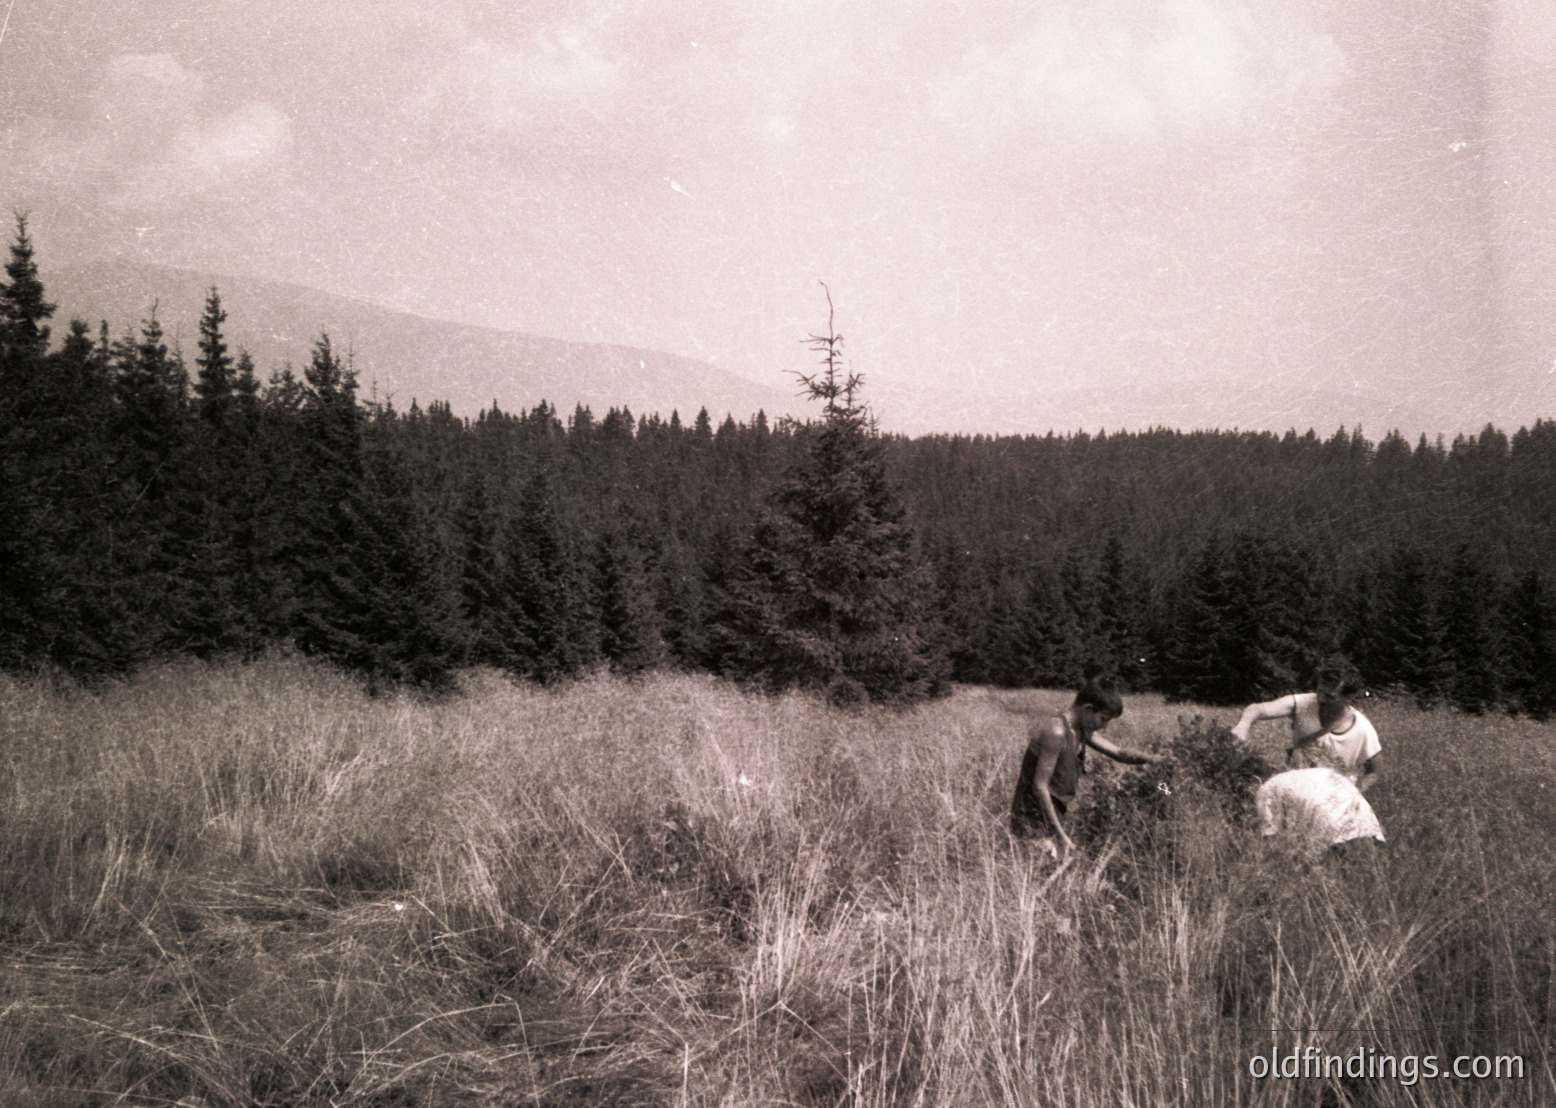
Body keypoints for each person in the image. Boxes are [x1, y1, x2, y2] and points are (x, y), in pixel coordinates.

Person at [1009, 681, 1163, 859]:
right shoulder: (1056, 732)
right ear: (1088, 709)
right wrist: (1061, 835)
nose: (1104, 726)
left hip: (1052, 812)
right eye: (1103, 719)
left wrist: (1153, 759)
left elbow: (1119, 753)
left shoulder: (1079, 730)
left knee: (1055, 864)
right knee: (1044, 865)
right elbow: (1040, 786)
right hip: (1032, 816)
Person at [1229, 679, 1381, 792]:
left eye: (1329, 696)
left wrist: (1355, 792)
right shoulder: (1305, 702)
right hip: (1295, 787)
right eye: (1319, 691)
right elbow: (1258, 709)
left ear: (1347, 698)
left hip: (1334, 797)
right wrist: (1243, 726)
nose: (1320, 698)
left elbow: (1374, 772)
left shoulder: (1363, 730)